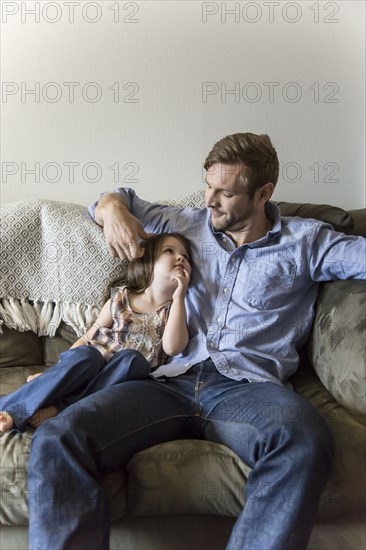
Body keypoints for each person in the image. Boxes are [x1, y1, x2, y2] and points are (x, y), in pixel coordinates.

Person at [27, 132, 366, 550]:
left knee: (305, 438)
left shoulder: (307, 241)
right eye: (208, 185)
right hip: (165, 382)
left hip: (248, 391)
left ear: (264, 193)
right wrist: (112, 208)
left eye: (225, 193)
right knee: (58, 437)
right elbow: (115, 200)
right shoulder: (184, 223)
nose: (209, 200)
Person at [0, 233, 192, 433]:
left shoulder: (175, 309)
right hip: (89, 366)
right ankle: (14, 409)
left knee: (133, 360)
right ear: (149, 261)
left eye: (186, 257)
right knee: (87, 354)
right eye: (170, 251)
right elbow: (87, 337)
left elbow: (173, 347)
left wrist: (179, 298)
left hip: (119, 377)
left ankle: (58, 407)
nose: (181, 258)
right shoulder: (120, 299)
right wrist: (57, 370)